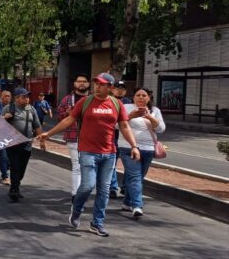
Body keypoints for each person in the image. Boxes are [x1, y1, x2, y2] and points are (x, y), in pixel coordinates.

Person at [38, 73, 140, 237]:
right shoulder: (84, 102)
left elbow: (124, 126)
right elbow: (69, 120)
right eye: (96, 83)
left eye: (102, 84)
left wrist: (134, 146)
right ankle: (77, 210)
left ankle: (97, 223)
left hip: (109, 153)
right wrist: (48, 134)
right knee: (87, 186)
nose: (97, 86)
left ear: (110, 87)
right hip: (87, 152)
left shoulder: (116, 104)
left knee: (104, 190)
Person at [118, 87, 165, 218]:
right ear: (133, 97)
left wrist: (150, 117)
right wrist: (131, 116)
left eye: (144, 95)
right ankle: (137, 205)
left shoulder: (155, 111)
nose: (141, 97)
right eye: (138, 95)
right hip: (128, 148)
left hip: (149, 149)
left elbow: (161, 129)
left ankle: (127, 202)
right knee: (135, 177)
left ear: (149, 98)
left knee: (138, 177)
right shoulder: (126, 107)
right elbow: (117, 125)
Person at [1, 88, 44, 202]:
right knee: (15, 167)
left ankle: (15, 186)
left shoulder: (32, 109)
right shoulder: (8, 108)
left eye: (27, 97)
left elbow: (37, 126)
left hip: (27, 144)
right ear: (16, 98)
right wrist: (5, 117)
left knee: (22, 169)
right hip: (13, 144)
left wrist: (42, 140)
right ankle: (14, 190)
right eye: (24, 97)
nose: (26, 99)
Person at [56, 74, 91, 200]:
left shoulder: (93, 99)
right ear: (75, 84)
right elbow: (59, 117)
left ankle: (85, 189)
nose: (82, 83)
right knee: (77, 165)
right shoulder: (67, 99)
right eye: (79, 81)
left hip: (92, 138)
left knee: (88, 166)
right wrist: (67, 113)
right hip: (73, 136)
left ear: (88, 84)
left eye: (84, 81)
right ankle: (76, 193)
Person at [108, 80, 133, 199]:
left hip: (124, 137)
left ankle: (125, 187)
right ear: (112, 89)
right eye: (118, 88)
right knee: (111, 163)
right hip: (111, 136)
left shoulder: (129, 103)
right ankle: (112, 187)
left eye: (122, 88)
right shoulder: (108, 101)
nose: (120, 90)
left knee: (128, 164)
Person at [0, 90, 12, 185]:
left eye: (9, 96)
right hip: (1, 135)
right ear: (1, 97)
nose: (8, 98)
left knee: (10, 158)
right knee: (3, 156)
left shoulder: (13, 107)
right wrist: (4, 117)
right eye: (6, 96)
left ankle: (6, 168)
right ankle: (5, 176)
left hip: (12, 135)